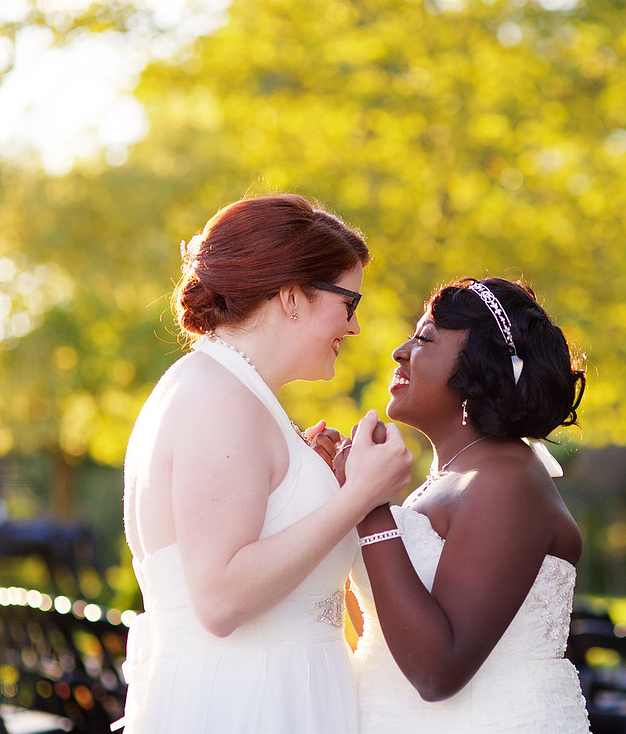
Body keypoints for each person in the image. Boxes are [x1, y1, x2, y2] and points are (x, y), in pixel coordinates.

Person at [120, 193, 412, 733]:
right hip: (249, 704)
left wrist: (311, 477)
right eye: (349, 304)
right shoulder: (218, 398)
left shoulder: (229, 389)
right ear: (293, 296)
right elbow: (221, 597)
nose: (353, 327)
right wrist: (359, 496)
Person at [343, 276, 591, 732]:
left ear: (479, 371)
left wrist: (369, 505)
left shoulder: (507, 483)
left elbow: (438, 672)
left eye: (424, 339)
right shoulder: (447, 480)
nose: (400, 352)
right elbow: (386, 627)